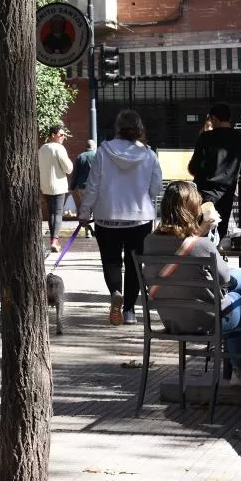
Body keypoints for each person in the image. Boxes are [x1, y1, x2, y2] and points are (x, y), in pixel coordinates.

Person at [143, 181, 241, 383]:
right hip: (207, 321)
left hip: (172, 319)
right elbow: (226, 279)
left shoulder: (149, 241)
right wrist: (204, 233)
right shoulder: (202, 244)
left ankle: (239, 370)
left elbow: (182, 248)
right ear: (192, 210)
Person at [78, 110, 163, 326]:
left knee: (111, 260)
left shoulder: (103, 152)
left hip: (107, 216)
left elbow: (93, 185)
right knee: (134, 264)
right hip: (139, 218)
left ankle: (116, 291)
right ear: (139, 128)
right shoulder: (149, 155)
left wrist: (84, 212)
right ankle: (130, 311)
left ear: (117, 127)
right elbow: (156, 188)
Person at [188, 103, 241, 239]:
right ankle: (215, 257)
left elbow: (194, 167)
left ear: (214, 118)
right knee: (220, 234)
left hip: (204, 193)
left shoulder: (205, 138)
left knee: (200, 233)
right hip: (226, 194)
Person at [38, 124, 73, 252]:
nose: (63, 137)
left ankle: (53, 240)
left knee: (51, 213)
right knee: (57, 213)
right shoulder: (59, 148)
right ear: (53, 135)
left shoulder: (42, 148)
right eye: (61, 135)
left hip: (45, 186)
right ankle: (54, 241)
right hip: (58, 185)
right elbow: (69, 168)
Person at [70, 140, 97, 238]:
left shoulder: (80, 156)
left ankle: (87, 231)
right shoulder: (97, 156)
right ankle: (95, 229)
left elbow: (75, 174)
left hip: (82, 187)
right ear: (94, 147)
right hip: (94, 187)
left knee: (84, 209)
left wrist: (72, 186)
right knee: (95, 209)